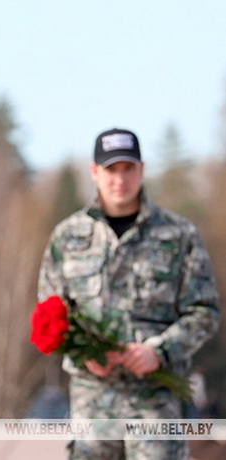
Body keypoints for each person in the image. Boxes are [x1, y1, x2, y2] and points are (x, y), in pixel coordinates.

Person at [37, 128, 219, 459]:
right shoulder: (67, 238)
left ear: (142, 170)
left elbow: (205, 312)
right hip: (93, 408)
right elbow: (50, 314)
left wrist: (160, 351)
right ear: (94, 171)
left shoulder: (178, 235)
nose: (120, 179)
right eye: (111, 169)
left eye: (128, 168)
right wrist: (84, 354)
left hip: (156, 404)